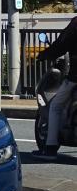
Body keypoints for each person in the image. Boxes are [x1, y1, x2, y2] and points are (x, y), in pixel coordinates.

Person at [34, 17, 77, 160]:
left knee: (56, 105)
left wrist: (44, 55)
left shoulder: (75, 24)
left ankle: (50, 149)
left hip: (75, 77)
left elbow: (61, 45)